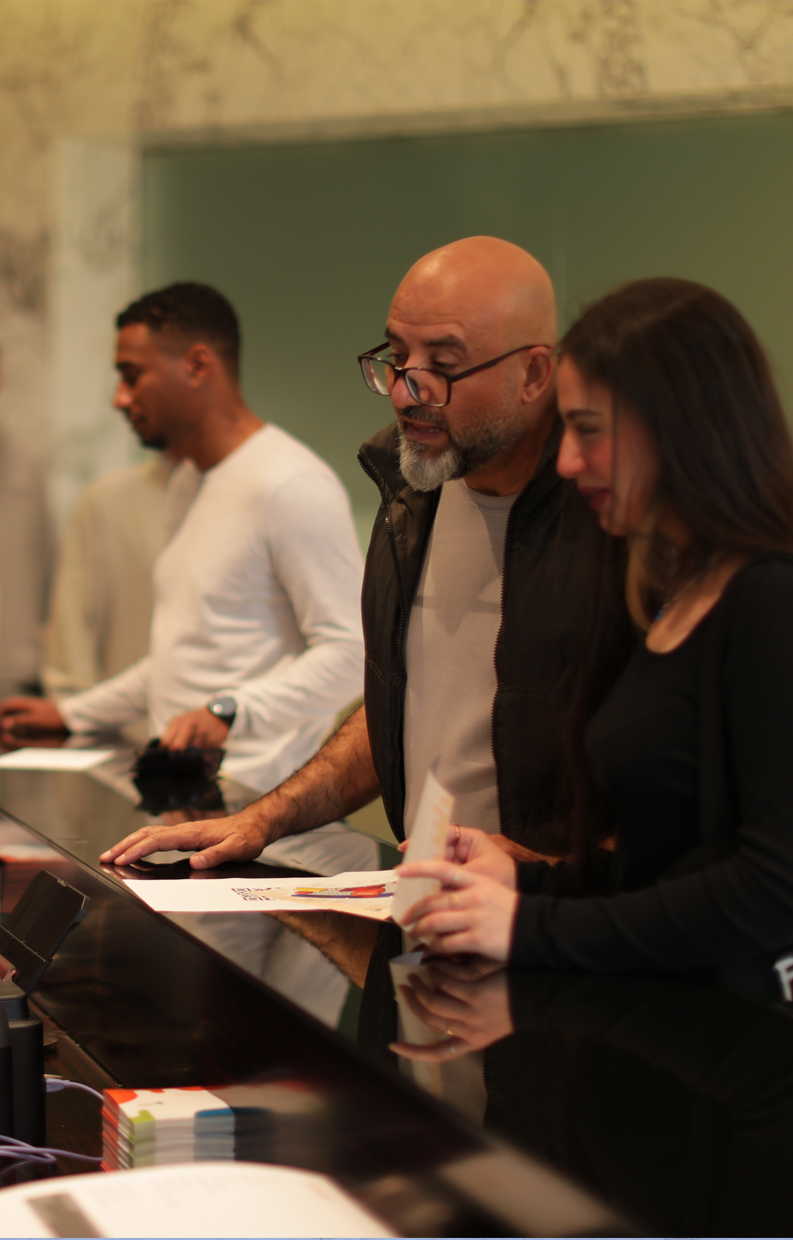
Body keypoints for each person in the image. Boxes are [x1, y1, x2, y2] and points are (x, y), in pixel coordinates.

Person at [100, 236, 618, 871]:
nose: (404, 392)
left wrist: (546, 874)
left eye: (443, 365)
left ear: (534, 374)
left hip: (554, 919)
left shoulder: (606, 520)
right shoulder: (411, 494)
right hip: (426, 898)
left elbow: (679, 792)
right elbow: (396, 710)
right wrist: (262, 819)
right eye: (397, 358)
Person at [396, 277, 793, 995]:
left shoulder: (769, 600)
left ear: (680, 427)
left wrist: (530, 927)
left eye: (588, 430)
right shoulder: (680, 592)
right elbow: (661, 867)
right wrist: (525, 880)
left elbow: (769, 890)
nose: (568, 462)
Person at [0, 283, 365, 793]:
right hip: (184, 789)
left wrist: (229, 711)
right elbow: (184, 656)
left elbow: (352, 655)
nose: (119, 399)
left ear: (197, 366)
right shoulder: (190, 481)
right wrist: (71, 714)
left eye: (132, 376)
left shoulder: (291, 484)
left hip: (263, 799)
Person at [42, 453, 179, 703]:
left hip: (231, 717)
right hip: (128, 721)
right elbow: (72, 637)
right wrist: (71, 712)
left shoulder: (246, 496)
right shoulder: (108, 501)